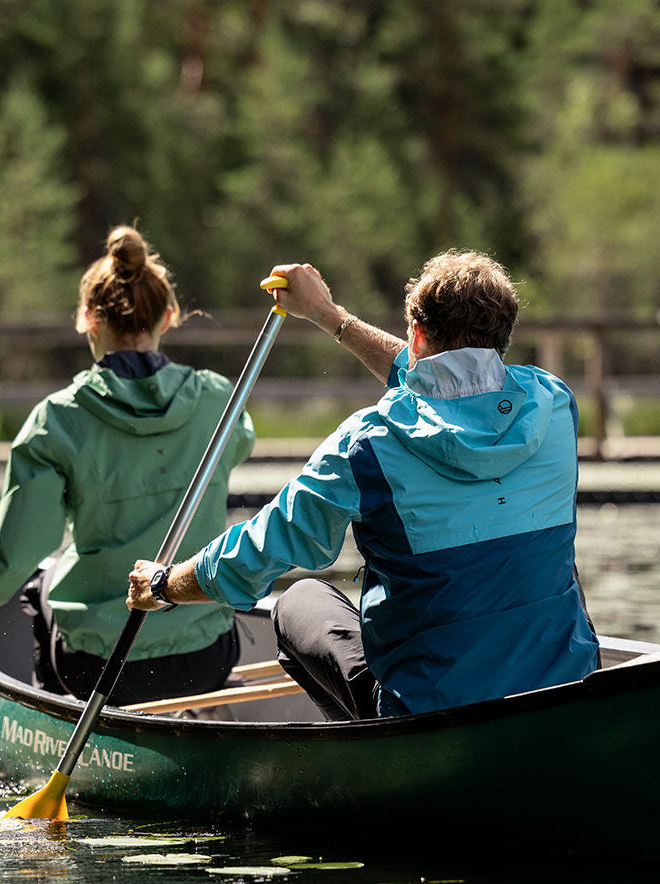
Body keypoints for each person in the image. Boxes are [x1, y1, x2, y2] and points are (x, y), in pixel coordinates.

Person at [127, 250, 599, 720]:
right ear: (504, 337)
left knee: (299, 601)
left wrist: (165, 585)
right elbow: (445, 383)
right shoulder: (552, 404)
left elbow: (253, 555)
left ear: (416, 334)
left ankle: (363, 754)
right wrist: (328, 317)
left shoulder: (367, 445)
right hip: (563, 692)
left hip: (432, 716)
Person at [0, 225, 255, 704]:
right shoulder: (221, 398)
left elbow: (16, 553)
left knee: (41, 582)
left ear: (87, 319)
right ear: (170, 316)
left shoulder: (55, 421)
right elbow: (241, 444)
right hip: (208, 659)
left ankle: (51, 722)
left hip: (99, 670)